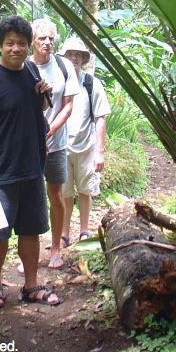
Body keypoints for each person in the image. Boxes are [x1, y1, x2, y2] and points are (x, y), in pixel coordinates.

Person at [0, 15, 61, 309]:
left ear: (27, 44)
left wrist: (45, 95)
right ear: (0, 46)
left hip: (32, 167)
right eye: (10, 43)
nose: (16, 48)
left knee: (31, 230)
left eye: (21, 43)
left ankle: (30, 286)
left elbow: (37, 109)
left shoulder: (32, 72)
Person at [30, 18, 78, 269]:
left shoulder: (64, 66)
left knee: (56, 194)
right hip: (29, 145)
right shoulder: (24, 67)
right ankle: (31, 252)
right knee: (31, 196)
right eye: (42, 38)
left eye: (51, 38)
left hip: (56, 143)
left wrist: (48, 131)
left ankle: (56, 247)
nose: (47, 43)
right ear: (32, 42)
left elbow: (68, 105)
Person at [59, 38, 110, 242]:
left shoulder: (91, 84)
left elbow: (100, 118)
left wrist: (100, 151)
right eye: (70, 54)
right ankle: (63, 234)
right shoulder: (58, 82)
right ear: (64, 57)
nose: (74, 58)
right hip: (61, 147)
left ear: (83, 59)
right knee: (65, 192)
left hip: (87, 146)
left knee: (86, 189)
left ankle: (84, 230)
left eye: (78, 55)